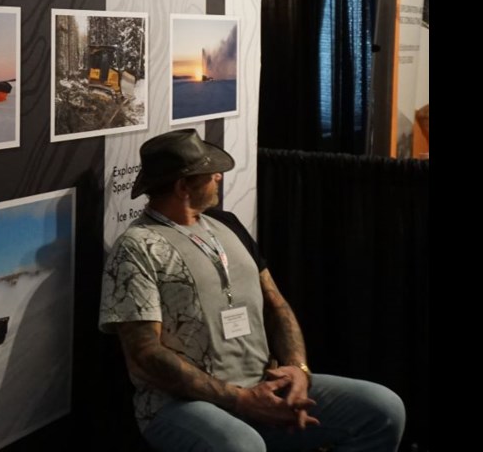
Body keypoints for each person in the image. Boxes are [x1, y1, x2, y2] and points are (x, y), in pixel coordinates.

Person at [99, 129, 405, 451]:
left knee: (383, 410)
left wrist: (297, 371)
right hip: (181, 404)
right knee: (242, 446)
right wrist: (241, 400)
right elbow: (145, 354)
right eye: (209, 172)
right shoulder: (136, 248)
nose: (218, 176)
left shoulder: (227, 223)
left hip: (263, 383)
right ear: (182, 186)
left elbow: (276, 305)